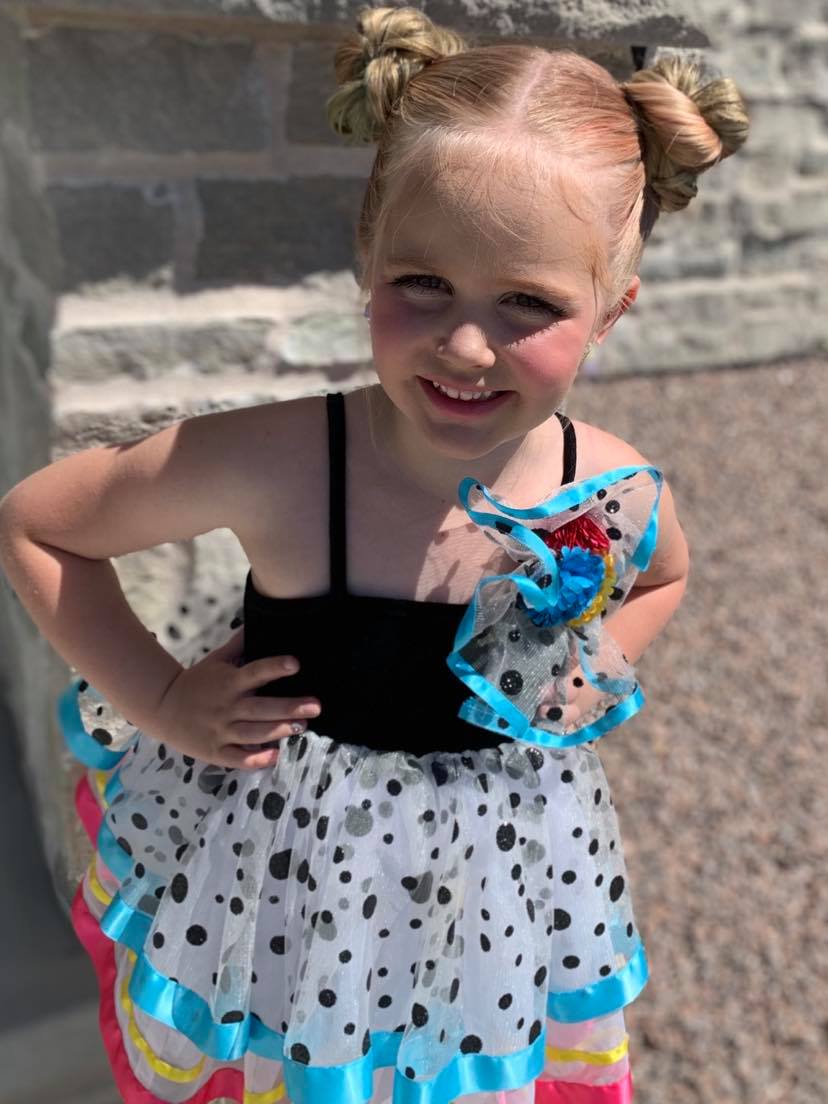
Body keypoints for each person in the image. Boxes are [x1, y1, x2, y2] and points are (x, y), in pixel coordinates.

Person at [0, 7, 749, 1103]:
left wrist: (591, 663)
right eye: (422, 284)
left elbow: (667, 571)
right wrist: (162, 699)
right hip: (282, 874)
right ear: (368, 255)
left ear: (610, 312)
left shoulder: (608, 483)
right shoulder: (284, 461)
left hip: (492, 875)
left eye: (528, 303)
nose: (464, 343)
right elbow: (38, 523)